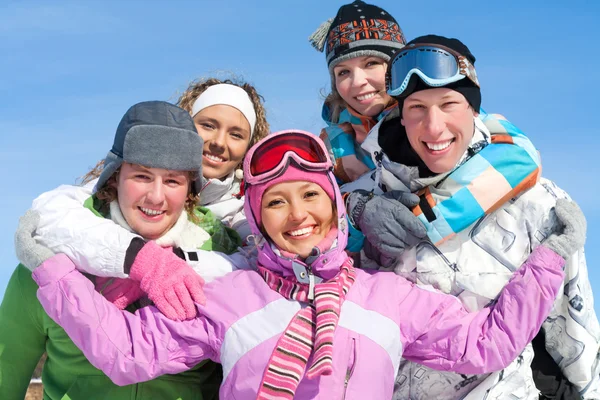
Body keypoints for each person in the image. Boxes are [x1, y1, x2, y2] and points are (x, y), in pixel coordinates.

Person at [29, 130, 583, 399]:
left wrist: (549, 260)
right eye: (275, 201)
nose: (298, 215)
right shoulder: (229, 295)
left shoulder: (386, 295)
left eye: (311, 196)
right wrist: (51, 272)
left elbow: (481, 344)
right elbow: (129, 353)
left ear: (335, 206)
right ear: (257, 216)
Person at [344, 35, 600, 399]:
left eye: (449, 104)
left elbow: (573, 327)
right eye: (416, 107)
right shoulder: (369, 196)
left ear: (474, 109)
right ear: (400, 115)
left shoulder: (536, 201)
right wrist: (356, 210)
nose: (433, 127)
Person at [0, 101, 245, 399]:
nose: (156, 197)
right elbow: (6, 371)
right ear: (115, 177)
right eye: (141, 176)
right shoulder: (48, 261)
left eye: (172, 181)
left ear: (190, 189)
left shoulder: (226, 260)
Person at [12, 78, 268, 317]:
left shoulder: (246, 210)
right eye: (208, 126)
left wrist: (178, 260)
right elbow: (52, 213)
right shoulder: (123, 182)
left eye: (236, 134)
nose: (219, 142)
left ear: (249, 146)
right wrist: (142, 260)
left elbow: (262, 263)